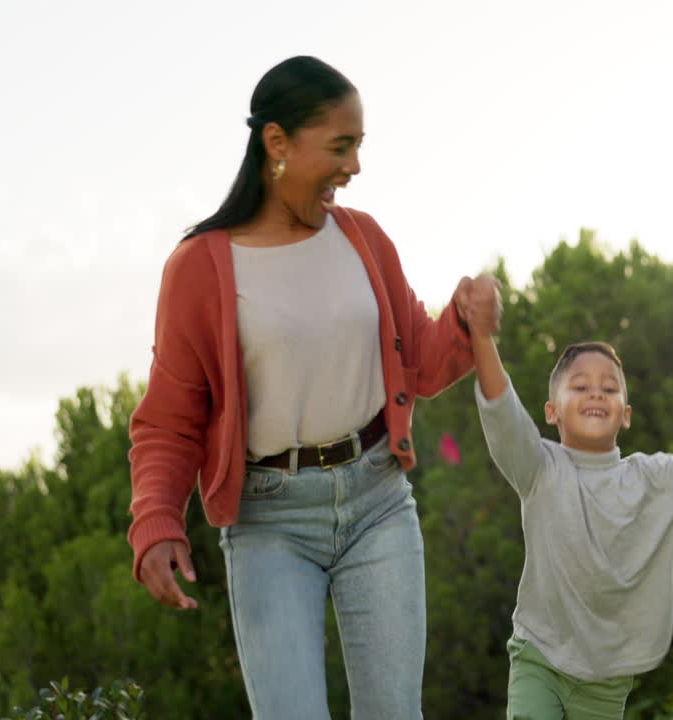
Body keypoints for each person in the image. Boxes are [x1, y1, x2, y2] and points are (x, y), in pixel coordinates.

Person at [126, 55, 499, 720]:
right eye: (340, 146)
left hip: (378, 500)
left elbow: (421, 361)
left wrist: (468, 322)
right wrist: (156, 523)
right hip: (270, 521)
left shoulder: (363, 239)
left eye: (358, 146)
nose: (354, 166)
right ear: (277, 143)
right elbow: (169, 420)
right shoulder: (200, 267)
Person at [466, 310, 673, 718]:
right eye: (580, 386)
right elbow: (503, 414)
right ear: (552, 412)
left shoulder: (653, 480)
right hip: (539, 658)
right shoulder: (539, 468)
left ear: (625, 414)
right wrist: (482, 336)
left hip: (607, 681)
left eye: (609, 389)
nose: (596, 394)